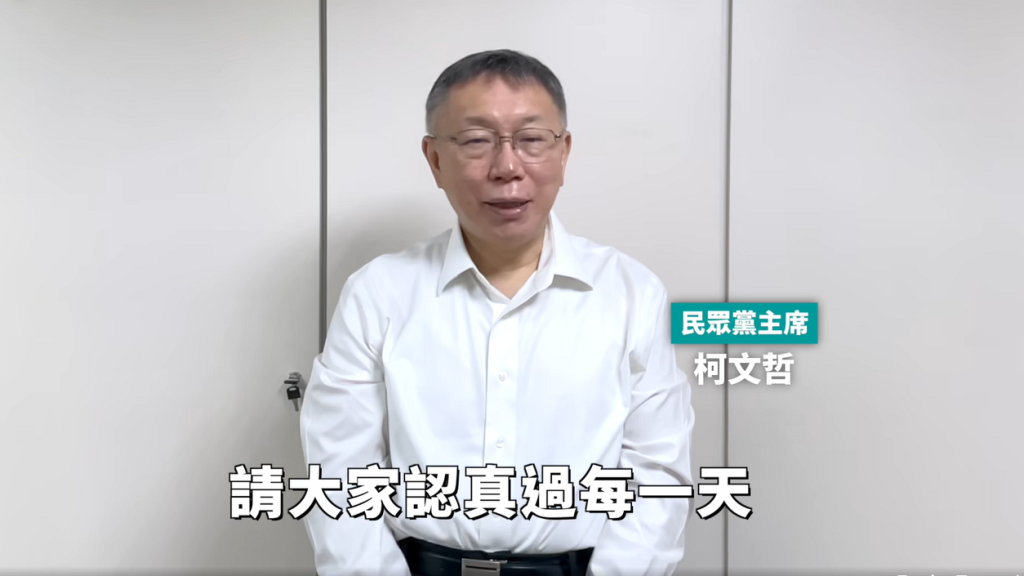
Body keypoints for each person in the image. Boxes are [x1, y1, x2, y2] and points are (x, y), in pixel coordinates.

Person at [300, 49, 695, 576]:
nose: (507, 169)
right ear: (435, 160)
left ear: (563, 153)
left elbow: (658, 475)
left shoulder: (631, 292)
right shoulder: (378, 293)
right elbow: (340, 474)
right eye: (475, 140)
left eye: (531, 139)